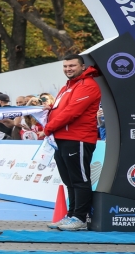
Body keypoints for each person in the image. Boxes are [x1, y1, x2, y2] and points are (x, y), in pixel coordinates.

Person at [44, 54, 101, 231]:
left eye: (72, 66)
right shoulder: (67, 87)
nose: (68, 69)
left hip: (79, 138)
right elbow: (60, 110)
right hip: (61, 139)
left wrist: (48, 127)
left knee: (79, 180)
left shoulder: (88, 85)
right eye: (65, 66)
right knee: (69, 180)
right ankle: (71, 215)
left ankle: (80, 217)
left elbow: (72, 112)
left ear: (83, 67)